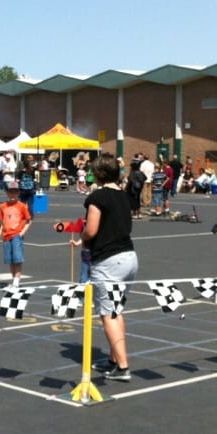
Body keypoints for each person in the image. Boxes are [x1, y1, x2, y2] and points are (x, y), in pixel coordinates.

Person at [69, 153, 138, 381]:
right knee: (117, 310)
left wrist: (82, 235)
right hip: (129, 256)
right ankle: (114, 359)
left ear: (97, 174)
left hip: (109, 260)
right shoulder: (123, 196)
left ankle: (123, 367)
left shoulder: (97, 197)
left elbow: (92, 229)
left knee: (108, 313)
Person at [0, 180, 32, 287]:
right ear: (7, 193)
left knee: (17, 258)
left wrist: (21, 233)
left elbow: (28, 220)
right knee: (10, 259)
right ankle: (14, 277)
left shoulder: (22, 206)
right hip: (6, 236)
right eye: (10, 192)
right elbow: (1, 223)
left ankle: (16, 280)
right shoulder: (3, 206)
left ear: (18, 193)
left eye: (15, 192)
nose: (13, 194)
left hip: (16, 235)